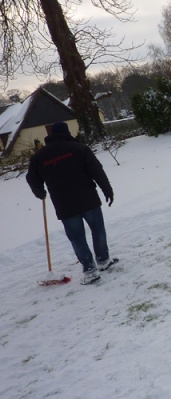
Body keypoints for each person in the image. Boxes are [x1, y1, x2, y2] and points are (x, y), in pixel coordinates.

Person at [26, 122, 118, 284]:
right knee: (97, 230)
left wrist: (40, 192)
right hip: (88, 199)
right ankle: (103, 260)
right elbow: (97, 171)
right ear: (66, 132)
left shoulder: (39, 157)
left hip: (65, 205)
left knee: (77, 238)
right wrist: (107, 190)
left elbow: (32, 178)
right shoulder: (80, 149)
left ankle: (89, 270)